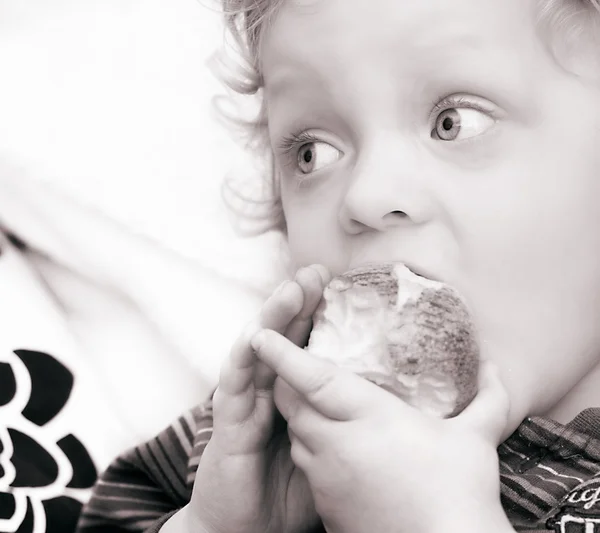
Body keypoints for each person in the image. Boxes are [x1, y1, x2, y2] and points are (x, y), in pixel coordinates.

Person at [76, 0, 600, 531]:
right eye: (313, 154)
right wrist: (212, 524)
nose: (367, 195)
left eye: (453, 122)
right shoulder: (261, 433)